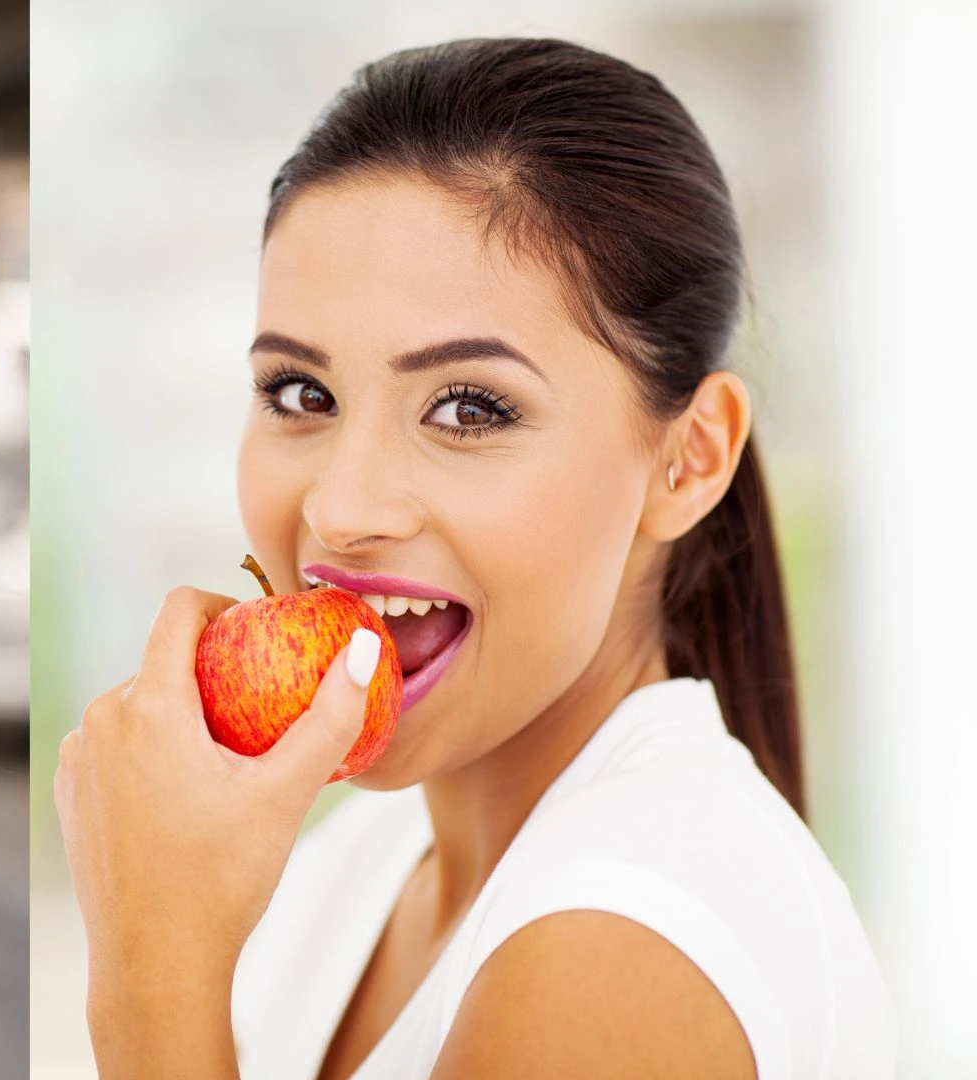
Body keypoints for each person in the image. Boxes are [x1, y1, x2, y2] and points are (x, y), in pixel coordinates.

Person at [55, 37, 894, 1079]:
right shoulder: (350, 866)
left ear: (689, 459)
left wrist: (153, 976)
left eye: (467, 409)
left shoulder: (620, 945)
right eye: (302, 394)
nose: (341, 510)